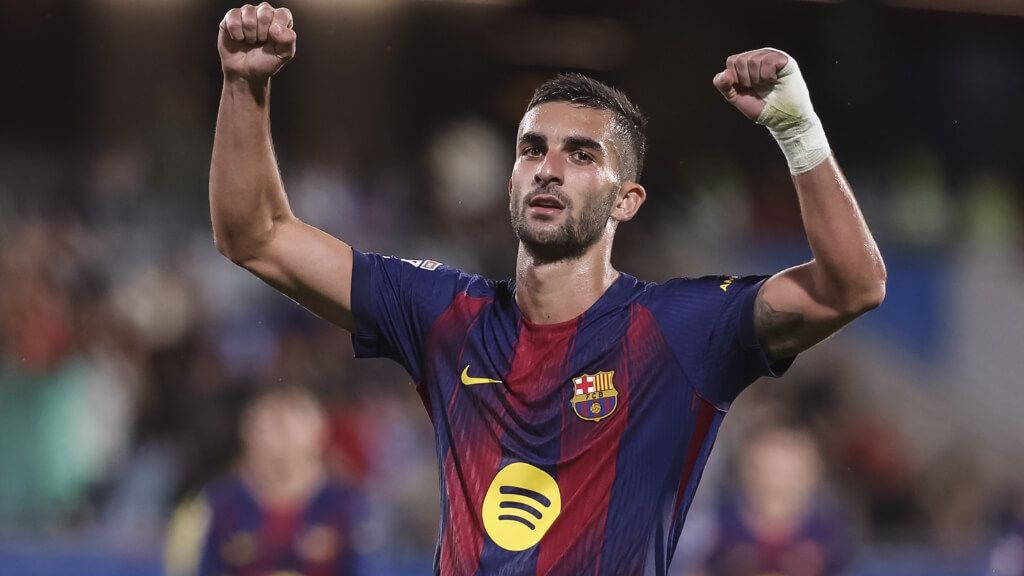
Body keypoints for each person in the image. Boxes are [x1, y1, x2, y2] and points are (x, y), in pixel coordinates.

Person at [209, 3, 886, 574]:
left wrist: (797, 133)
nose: (549, 169)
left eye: (582, 154)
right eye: (532, 149)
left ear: (627, 200)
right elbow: (256, 236)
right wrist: (245, 86)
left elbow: (850, 286)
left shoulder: (681, 331)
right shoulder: (445, 313)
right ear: (510, 183)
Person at [164, 383, 365, 576]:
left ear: (321, 429)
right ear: (247, 431)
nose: (284, 426)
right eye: (271, 419)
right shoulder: (207, 509)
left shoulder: (351, 509)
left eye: (295, 412)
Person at [700, 423, 852, 576]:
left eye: (788, 473)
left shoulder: (829, 533)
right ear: (746, 471)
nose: (776, 483)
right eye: (767, 471)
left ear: (812, 475)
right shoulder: (715, 527)